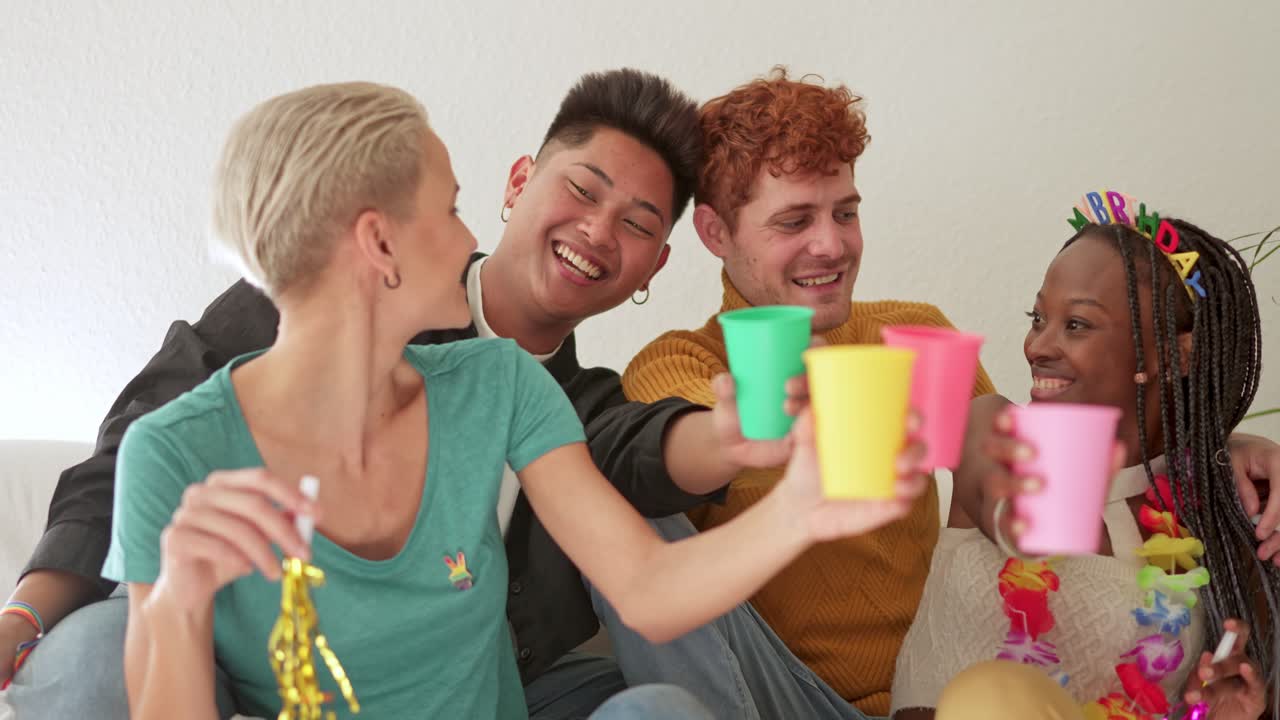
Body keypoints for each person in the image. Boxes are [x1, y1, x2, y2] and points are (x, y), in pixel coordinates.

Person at [101, 81, 930, 720]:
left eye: (639, 221)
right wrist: (174, 605)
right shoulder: (171, 453)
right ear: (378, 243)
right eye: (451, 209)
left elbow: (646, 584)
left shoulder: (500, 384)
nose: (471, 240)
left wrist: (804, 505)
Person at [892, 199, 1276, 719]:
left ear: (1176, 354)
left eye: (1076, 324)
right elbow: (1023, 527)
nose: (1037, 346)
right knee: (992, 692)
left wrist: (1210, 715)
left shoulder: (1221, 515)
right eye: (1038, 318)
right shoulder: (990, 425)